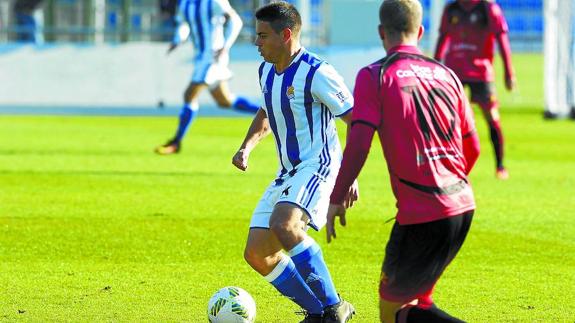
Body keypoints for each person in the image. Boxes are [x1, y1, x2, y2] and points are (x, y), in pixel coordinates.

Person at [326, 0, 481, 322]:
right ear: (420, 31)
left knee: (394, 312)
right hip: (462, 204)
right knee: (419, 304)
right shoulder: (447, 74)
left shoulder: (375, 75)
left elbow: (358, 145)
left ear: (382, 32)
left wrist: (337, 196)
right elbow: (474, 147)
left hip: (423, 215)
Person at [231, 2, 358, 322]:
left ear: (285, 34)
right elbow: (266, 112)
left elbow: (356, 121)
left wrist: (349, 175)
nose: (256, 43)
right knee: (258, 253)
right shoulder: (266, 71)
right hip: (287, 172)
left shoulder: (318, 72)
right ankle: (317, 314)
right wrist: (247, 147)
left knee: (285, 225)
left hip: (320, 165)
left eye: (262, 36)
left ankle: (334, 307)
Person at [155, 0, 260, 155]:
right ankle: (268, 112)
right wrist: (178, 40)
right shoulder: (185, 3)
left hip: (213, 56)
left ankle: (176, 142)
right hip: (201, 58)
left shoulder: (214, 1)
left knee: (189, 94)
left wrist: (226, 46)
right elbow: (184, 24)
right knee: (224, 101)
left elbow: (236, 21)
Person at [434, 0, 515, 180]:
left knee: (492, 118)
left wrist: (509, 72)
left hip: (481, 73)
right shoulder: (451, 9)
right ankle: (446, 165)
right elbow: (443, 37)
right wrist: (436, 64)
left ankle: (500, 166)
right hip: (454, 72)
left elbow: (502, 40)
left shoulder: (489, 9)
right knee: (447, 120)